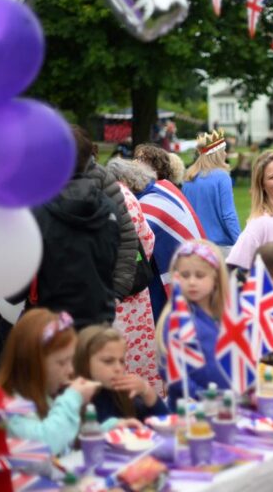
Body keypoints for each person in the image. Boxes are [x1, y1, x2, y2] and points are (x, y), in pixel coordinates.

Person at [22, 131, 121, 329]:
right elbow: (111, 261)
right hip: (99, 323)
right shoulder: (110, 207)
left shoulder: (36, 212)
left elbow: (18, 286)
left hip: (52, 326)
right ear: (88, 160)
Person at [0, 309, 100, 455]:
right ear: (32, 363)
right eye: (62, 362)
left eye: (71, 360)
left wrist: (106, 429)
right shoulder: (7, 406)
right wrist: (73, 397)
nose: (70, 370)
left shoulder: (43, 395)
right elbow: (44, 445)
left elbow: (65, 441)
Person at [122, 159, 206, 319]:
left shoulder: (147, 204)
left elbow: (139, 243)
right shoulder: (164, 187)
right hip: (189, 257)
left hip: (172, 268)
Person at [105, 158, 161, 393]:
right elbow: (148, 238)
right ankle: (147, 396)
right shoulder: (126, 195)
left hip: (111, 288)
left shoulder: (97, 197)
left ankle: (121, 397)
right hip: (135, 287)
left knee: (116, 349)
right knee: (141, 350)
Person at [157, 241, 230, 408]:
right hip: (192, 411)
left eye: (199, 275)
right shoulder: (177, 319)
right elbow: (171, 371)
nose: (191, 282)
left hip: (227, 404)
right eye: (184, 275)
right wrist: (205, 397)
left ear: (215, 278)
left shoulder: (224, 315)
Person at [73, 126, 138, 303]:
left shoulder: (101, 179)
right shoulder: (44, 183)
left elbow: (126, 234)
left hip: (96, 290)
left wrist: (118, 289)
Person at [74, 325, 168, 428]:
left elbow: (166, 424)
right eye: (108, 361)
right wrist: (112, 426)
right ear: (84, 362)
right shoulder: (72, 398)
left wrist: (147, 391)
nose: (118, 368)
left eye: (122, 361)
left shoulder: (123, 393)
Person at [182, 130, 241, 253]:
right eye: (223, 150)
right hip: (219, 247)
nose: (225, 154)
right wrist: (240, 243)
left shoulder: (188, 178)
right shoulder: (222, 177)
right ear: (217, 154)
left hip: (195, 246)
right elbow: (229, 215)